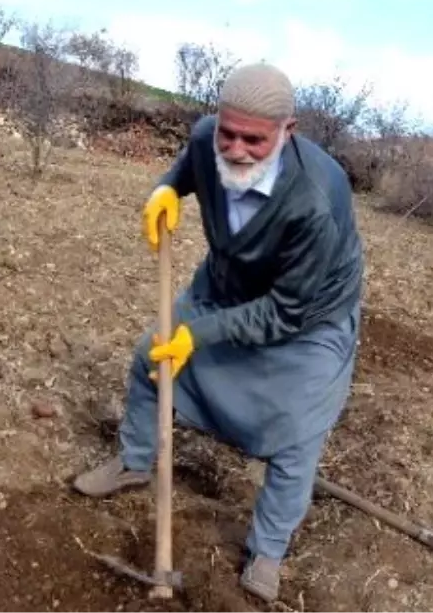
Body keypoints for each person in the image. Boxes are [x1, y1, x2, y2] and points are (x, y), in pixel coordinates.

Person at [71, 62, 365, 603]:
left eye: (254, 139)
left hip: (307, 317)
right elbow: (191, 165)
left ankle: (268, 549)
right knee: (151, 357)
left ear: (287, 132)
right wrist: (166, 189)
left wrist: (199, 336)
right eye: (228, 133)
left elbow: (284, 314)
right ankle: (135, 461)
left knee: (296, 430)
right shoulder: (208, 136)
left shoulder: (316, 201)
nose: (236, 148)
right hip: (227, 284)